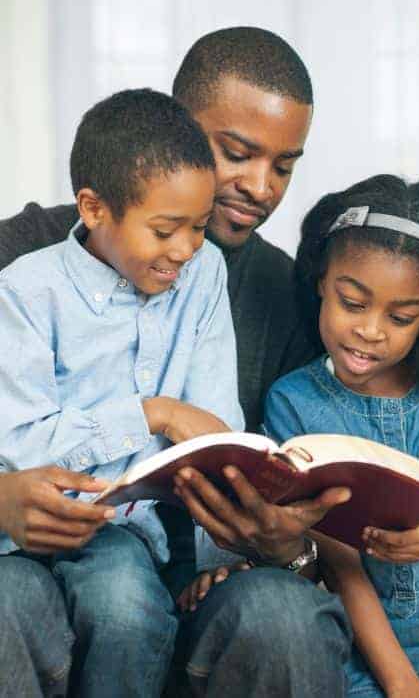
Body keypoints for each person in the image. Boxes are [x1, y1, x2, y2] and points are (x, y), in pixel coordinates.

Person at [0, 27, 352, 697]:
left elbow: (274, 466)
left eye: (284, 165)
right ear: (176, 131)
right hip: (35, 565)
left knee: (281, 611)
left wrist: (283, 546)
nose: (260, 186)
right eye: (237, 153)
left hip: (196, 584)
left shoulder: (285, 294)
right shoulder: (21, 261)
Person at [185, 174, 419, 696]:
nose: (370, 330)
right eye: (352, 303)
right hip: (365, 662)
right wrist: (404, 689)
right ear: (321, 282)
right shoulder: (295, 403)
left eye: (401, 317)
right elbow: (342, 566)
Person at [0, 88, 241, 696]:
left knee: (126, 609)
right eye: (165, 230)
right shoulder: (25, 291)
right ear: (94, 207)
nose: (185, 249)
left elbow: (217, 433)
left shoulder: (204, 273)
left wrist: (223, 563)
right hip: (19, 526)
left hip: (120, 532)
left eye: (199, 225)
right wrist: (153, 414)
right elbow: (23, 444)